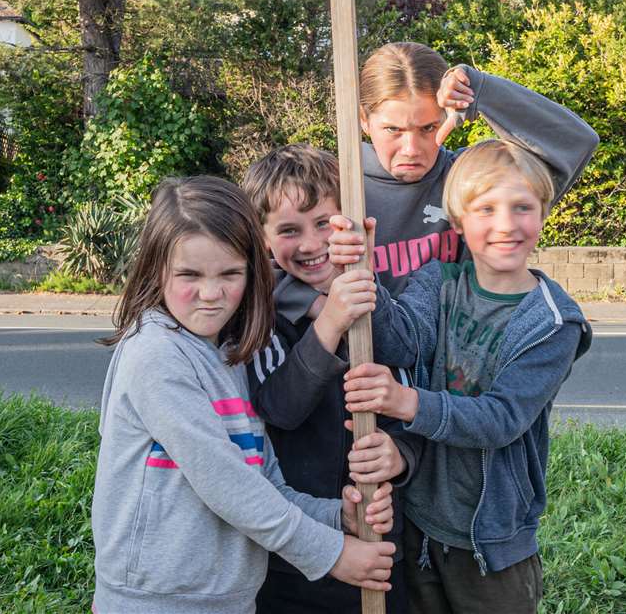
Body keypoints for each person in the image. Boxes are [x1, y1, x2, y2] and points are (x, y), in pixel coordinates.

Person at [91, 175, 397, 614]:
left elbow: (262, 482)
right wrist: (332, 553)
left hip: (227, 598)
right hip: (155, 600)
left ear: (253, 273)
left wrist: (336, 517)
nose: (212, 294)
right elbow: (227, 486)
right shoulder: (155, 353)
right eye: (189, 275)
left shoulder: (228, 353)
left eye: (230, 274)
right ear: (156, 269)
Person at [328, 139, 594, 614]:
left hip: (492, 545)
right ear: (458, 222)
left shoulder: (553, 323)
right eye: (485, 209)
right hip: (423, 524)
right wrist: (363, 272)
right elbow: (401, 340)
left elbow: (500, 420)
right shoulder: (440, 281)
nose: (506, 225)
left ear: (543, 212)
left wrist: (406, 402)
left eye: (521, 207)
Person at [276, 40, 598, 321]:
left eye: (428, 128)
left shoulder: (466, 181)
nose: (412, 149)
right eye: (394, 130)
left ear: (446, 118)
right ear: (364, 119)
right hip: (363, 379)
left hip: (453, 377)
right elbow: (259, 259)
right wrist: (318, 306)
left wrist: (482, 92)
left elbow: (575, 144)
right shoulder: (332, 185)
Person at [242, 144, 420, 614]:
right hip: (294, 552)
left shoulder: (381, 304)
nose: (311, 243)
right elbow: (279, 409)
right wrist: (329, 322)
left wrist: (400, 457)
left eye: (324, 222)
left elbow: (411, 390)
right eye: (288, 230)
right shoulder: (260, 318)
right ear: (262, 240)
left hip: (381, 534)